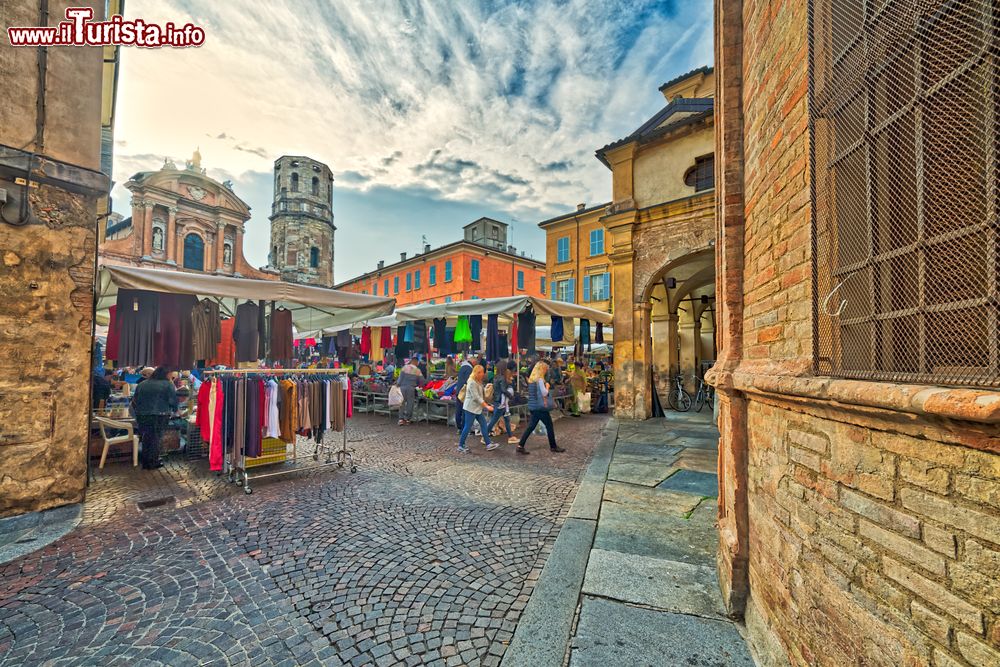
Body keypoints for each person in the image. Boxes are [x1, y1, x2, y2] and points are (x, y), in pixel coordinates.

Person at [131, 366, 178, 469]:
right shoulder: (167, 384)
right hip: (159, 415)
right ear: (166, 374)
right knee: (155, 438)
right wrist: (175, 410)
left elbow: (135, 400)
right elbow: (173, 401)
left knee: (146, 438)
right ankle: (153, 462)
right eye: (170, 374)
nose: (171, 376)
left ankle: (146, 461)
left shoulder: (142, 384)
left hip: (142, 415)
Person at [517, 361, 565, 455]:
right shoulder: (540, 380)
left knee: (531, 426)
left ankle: (520, 445)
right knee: (549, 425)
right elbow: (544, 393)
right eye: (545, 368)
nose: (546, 370)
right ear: (542, 369)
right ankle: (553, 446)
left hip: (533, 406)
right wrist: (547, 386)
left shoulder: (531, 380)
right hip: (540, 407)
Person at [459, 365, 495, 453]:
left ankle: (488, 443)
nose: (484, 374)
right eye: (482, 372)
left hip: (477, 408)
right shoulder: (471, 382)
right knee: (467, 427)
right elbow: (476, 397)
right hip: (470, 408)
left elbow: (481, 394)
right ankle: (461, 445)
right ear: (478, 373)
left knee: (483, 424)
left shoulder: (478, 381)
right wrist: (486, 406)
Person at [486, 362, 519, 444]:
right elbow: (503, 390)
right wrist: (511, 396)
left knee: (506, 419)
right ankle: (484, 436)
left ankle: (510, 437)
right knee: (494, 420)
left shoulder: (496, 377)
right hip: (501, 402)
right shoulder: (502, 378)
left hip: (499, 401)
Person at [397, 357, 424, 425]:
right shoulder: (417, 370)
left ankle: (401, 419)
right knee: (410, 403)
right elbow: (422, 381)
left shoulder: (404, 367)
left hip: (402, 387)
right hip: (411, 388)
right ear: (416, 362)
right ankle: (407, 419)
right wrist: (417, 384)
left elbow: (400, 379)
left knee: (401, 403)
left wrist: (398, 385)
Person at [454, 356, 474, 434]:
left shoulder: (462, 367)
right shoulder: (469, 369)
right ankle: (463, 429)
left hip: (459, 391)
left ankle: (459, 428)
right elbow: (468, 382)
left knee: (458, 410)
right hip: (464, 392)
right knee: (464, 410)